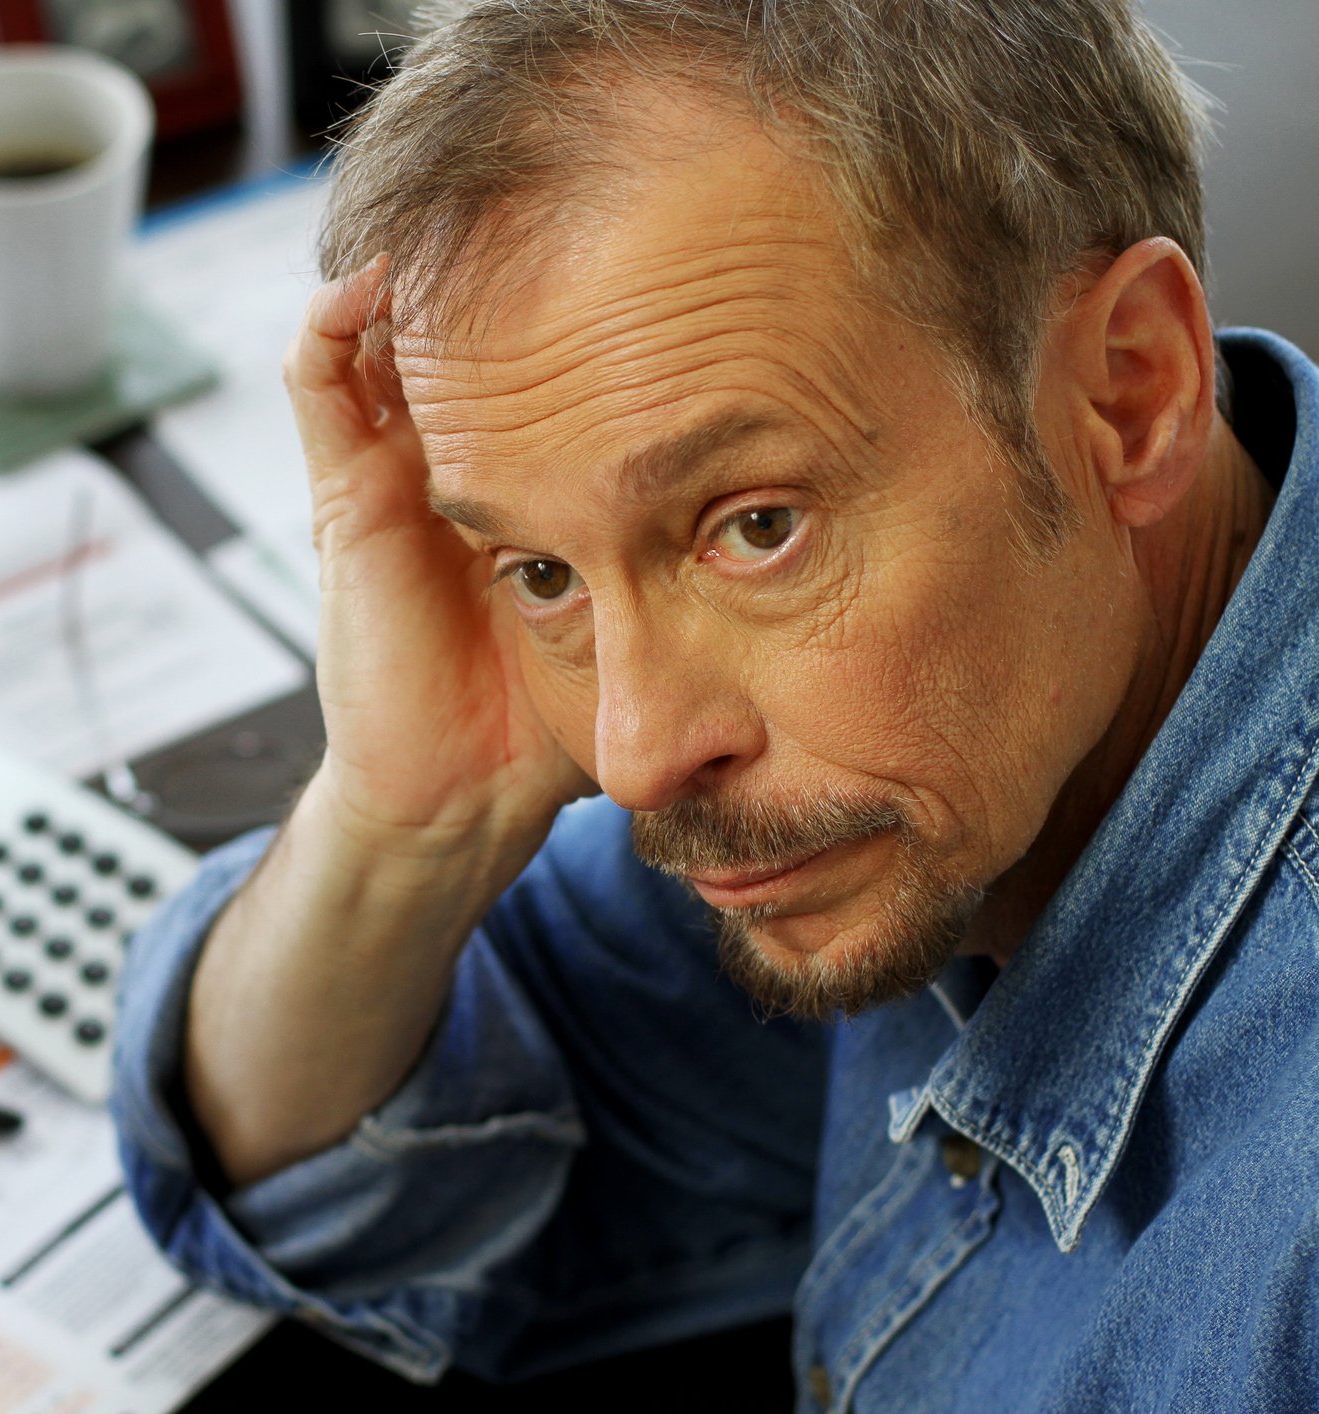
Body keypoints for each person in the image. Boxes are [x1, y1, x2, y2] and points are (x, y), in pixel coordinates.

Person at [112, 1, 1319, 1408]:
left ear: (1128, 391)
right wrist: (404, 826)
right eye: (542, 567)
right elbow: (324, 1192)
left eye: (754, 528)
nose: (632, 756)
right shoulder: (924, 774)